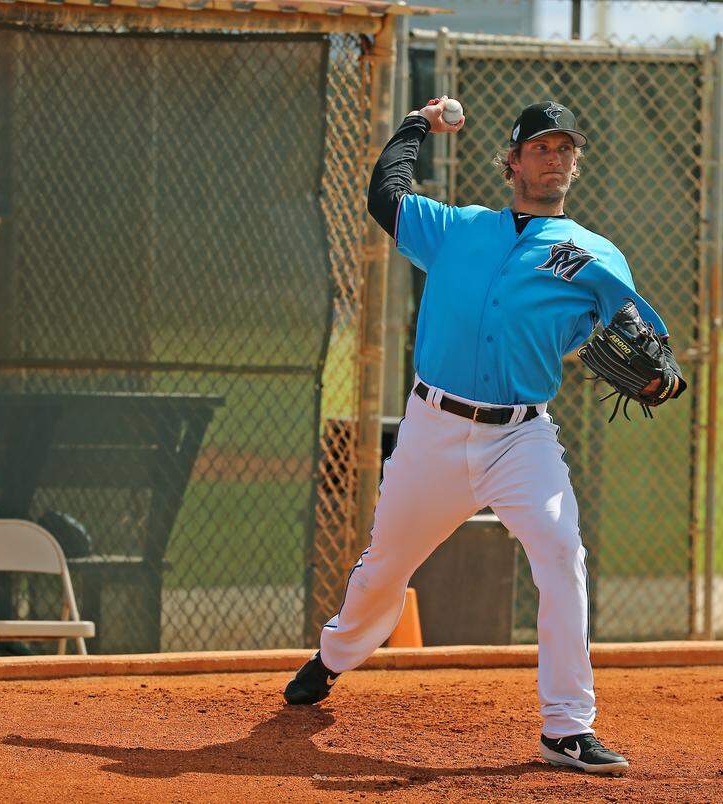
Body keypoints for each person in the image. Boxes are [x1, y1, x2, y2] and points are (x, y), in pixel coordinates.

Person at [284, 97, 675, 776]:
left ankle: (566, 728)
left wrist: (661, 370)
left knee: (560, 553)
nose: (556, 159)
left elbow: (645, 337)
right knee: (386, 568)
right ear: (514, 161)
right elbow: (387, 196)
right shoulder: (457, 230)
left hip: (521, 438)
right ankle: (333, 657)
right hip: (433, 429)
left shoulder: (595, 255)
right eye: (543, 148)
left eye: (566, 150)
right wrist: (416, 126)